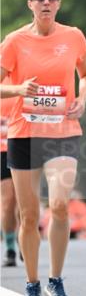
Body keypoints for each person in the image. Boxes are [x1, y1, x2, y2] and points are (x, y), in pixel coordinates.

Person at [0, 0, 86, 296]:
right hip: (24, 133)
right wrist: (18, 90)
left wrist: (82, 98)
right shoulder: (14, 41)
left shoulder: (73, 37)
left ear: (59, 3)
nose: (46, 3)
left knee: (59, 205)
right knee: (29, 214)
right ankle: (32, 284)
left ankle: (55, 278)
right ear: (30, 4)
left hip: (63, 133)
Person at [1, 96, 19, 266]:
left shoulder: (23, 76)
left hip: (22, 143)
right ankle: (10, 247)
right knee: (7, 201)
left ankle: (25, 237)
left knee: (23, 200)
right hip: (2, 149)